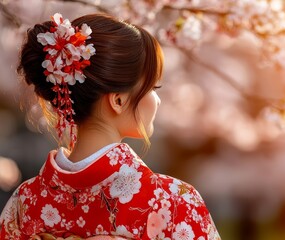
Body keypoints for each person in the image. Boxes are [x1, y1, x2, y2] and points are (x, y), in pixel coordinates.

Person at [0, 13, 221, 240]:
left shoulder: (25, 202)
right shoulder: (173, 202)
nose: (158, 100)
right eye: (153, 88)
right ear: (118, 101)